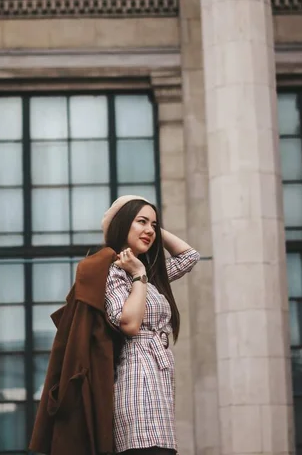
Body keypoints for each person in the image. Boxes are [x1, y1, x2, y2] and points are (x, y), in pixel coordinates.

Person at [102, 195, 200, 455]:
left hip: (158, 379)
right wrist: (137, 275)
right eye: (141, 222)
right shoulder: (114, 272)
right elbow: (130, 324)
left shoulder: (149, 273)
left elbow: (190, 256)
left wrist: (151, 230)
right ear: (123, 225)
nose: (149, 230)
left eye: (153, 225)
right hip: (136, 379)